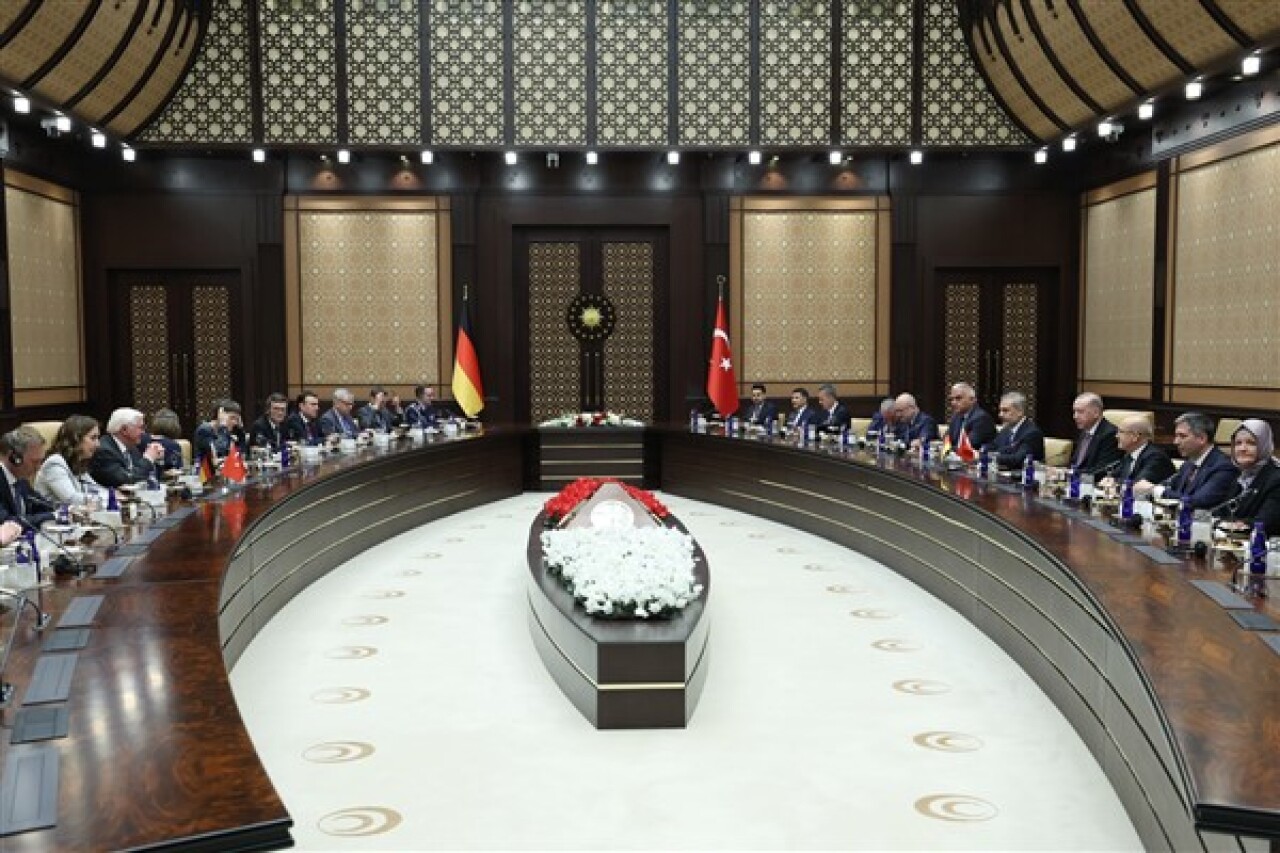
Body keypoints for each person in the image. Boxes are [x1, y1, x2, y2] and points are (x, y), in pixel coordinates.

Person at [1135, 412, 1235, 509]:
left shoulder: (1224, 467)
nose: (1176, 442)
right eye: (1176, 436)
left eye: (1182, 436)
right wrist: (1149, 489)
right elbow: (1168, 485)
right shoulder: (1189, 463)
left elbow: (1198, 501)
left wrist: (1155, 490)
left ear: (1202, 438)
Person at [1213, 419, 1280, 536]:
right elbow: (1221, 512)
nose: (1242, 448)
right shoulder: (1241, 475)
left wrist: (1228, 524)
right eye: (1238, 443)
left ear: (1264, 445)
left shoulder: (1276, 478)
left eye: (1251, 443)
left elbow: (1265, 523)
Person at [34, 415, 102, 506]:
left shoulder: (77, 462)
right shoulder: (54, 463)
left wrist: (113, 495)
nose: (98, 444)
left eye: (98, 438)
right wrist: (107, 498)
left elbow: (95, 489)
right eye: (93, 438)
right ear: (76, 439)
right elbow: (71, 499)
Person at [89, 408, 165, 488]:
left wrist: (157, 460)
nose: (143, 432)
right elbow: (127, 480)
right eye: (141, 427)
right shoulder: (104, 450)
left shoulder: (131, 447)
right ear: (124, 430)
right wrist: (148, 458)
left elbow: (147, 477)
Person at [0, 426, 56, 527]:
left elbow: (43, 505)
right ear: (14, 458)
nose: (39, 468)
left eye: (41, 461)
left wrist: (66, 510)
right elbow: (8, 523)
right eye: (35, 462)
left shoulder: (21, 480)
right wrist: (53, 515)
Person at [1102, 416, 1175, 486]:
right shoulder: (1129, 455)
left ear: (1135, 436)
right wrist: (1109, 480)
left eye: (1121, 432)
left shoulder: (1155, 457)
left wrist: (1114, 482)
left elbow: (1138, 484)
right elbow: (1112, 477)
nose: (1116, 436)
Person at [1069, 393, 1123, 476]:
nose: (1075, 416)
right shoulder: (1085, 430)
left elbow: (1101, 470)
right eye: (1074, 411)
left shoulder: (1110, 434)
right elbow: (1076, 463)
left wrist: (1069, 473)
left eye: (1080, 412)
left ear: (1096, 413)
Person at [989, 390, 1045, 469]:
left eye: (1005, 410)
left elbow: (1018, 459)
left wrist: (989, 456)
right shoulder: (1005, 430)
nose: (1000, 415)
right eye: (1000, 410)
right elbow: (992, 446)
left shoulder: (1032, 433)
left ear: (1020, 412)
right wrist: (981, 451)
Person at [945, 382, 997, 450]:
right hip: (957, 454)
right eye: (951, 399)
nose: (953, 402)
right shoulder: (956, 417)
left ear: (972, 399)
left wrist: (947, 449)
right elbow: (946, 438)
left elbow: (968, 445)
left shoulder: (981, 418)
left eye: (958, 398)